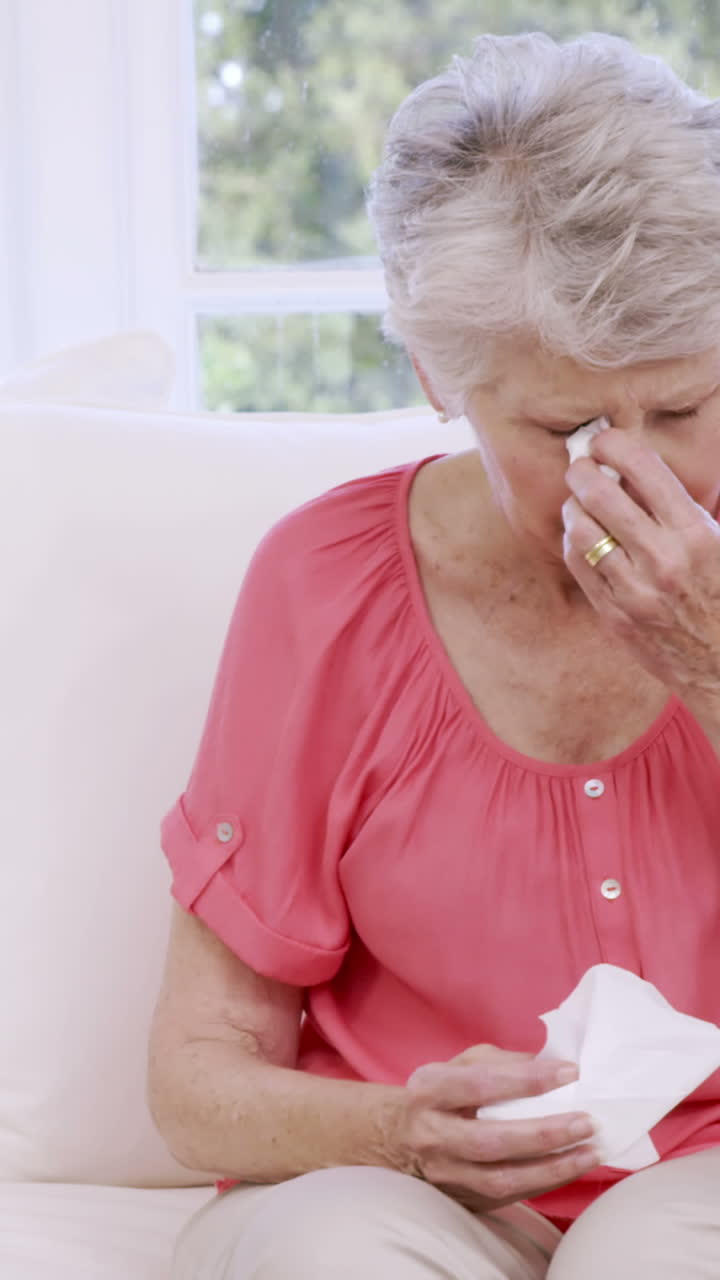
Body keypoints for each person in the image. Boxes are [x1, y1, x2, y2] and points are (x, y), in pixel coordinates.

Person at [149, 29, 720, 1279]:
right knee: (328, 1250)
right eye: (569, 423)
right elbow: (196, 1074)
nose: (640, 469)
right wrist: (396, 1129)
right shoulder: (326, 588)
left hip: (704, 1187)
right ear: (437, 373)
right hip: (396, 1185)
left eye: (685, 405)